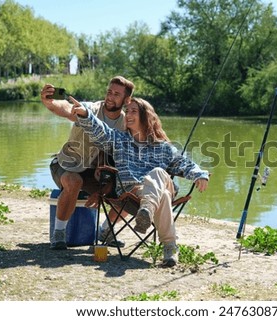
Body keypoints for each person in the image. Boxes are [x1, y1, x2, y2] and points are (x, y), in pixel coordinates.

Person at [71, 97, 209, 267]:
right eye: (127, 111)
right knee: (164, 195)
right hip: (133, 193)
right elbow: (100, 131)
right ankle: (170, 249)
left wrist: (199, 174)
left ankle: (147, 209)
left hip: (152, 192)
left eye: (133, 111)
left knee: (158, 172)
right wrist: (85, 115)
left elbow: (184, 163)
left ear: (146, 116)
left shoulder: (163, 148)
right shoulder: (119, 140)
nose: (128, 114)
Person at [40, 76, 135, 250]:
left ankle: (105, 231)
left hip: (97, 173)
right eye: (109, 92)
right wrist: (50, 103)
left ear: (126, 100)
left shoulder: (126, 123)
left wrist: (105, 187)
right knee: (74, 181)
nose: (110, 97)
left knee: (131, 193)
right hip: (66, 165)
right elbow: (67, 108)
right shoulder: (89, 109)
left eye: (116, 94)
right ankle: (59, 234)